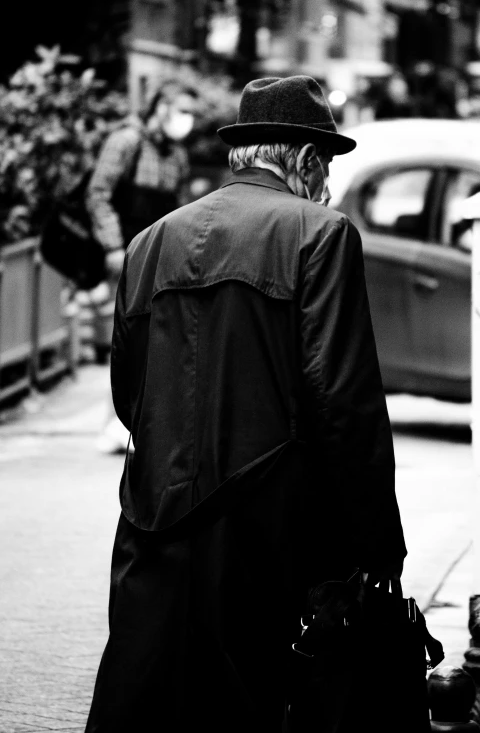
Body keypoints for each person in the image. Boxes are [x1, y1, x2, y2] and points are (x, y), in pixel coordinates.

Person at [84, 75, 406, 733]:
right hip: (263, 529)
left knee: (146, 702)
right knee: (248, 706)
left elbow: (128, 388)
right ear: (309, 161)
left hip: (154, 520)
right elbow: (342, 405)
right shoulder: (319, 233)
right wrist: (378, 547)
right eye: (327, 168)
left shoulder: (151, 242)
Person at [86, 80, 197, 453]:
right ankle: (116, 424)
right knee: (127, 337)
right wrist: (113, 246)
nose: (187, 120)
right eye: (182, 109)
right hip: (127, 254)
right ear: (161, 107)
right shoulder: (127, 142)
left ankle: (137, 425)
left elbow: (182, 211)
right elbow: (98, 194)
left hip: (161, 259)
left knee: (156, 338)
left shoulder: (177, 155)